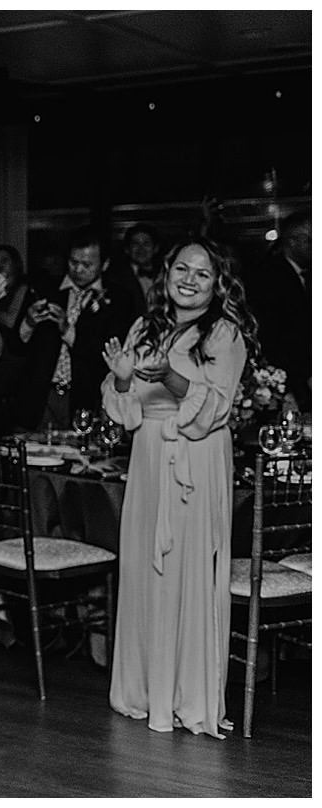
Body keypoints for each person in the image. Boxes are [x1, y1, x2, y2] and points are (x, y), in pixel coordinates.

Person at [101, 237, 257, 738]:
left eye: (203, 273)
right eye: (181, 269)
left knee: (189, 570)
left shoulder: (224, 333)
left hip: (198, 456)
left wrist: (169, 376)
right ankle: (146, 692)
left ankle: (188, 696)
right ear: (166, 274)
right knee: (145, 569)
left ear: (219, 283)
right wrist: (123, 380)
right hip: (148, 457)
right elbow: (124, 412)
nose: (189, 279)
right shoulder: (145, 326)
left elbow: (217, 406)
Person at [16, 226, 136, 431]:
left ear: (104, 264)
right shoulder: (46, 289)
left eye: (87, 264)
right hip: (41, 397)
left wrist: (67, 330)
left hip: (86, 397)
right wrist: (28, 323)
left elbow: (108, 353)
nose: (78, 269)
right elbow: (15, 347)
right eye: (73, 262)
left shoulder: (119, 299)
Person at [245, 209, 311, 409]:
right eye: (311, 241)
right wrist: (292, 383)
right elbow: (271, 335)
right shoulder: (269, 277)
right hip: (287, 383)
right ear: (292, 242)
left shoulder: (309, 274)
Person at [0, 243, 30, 435]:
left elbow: (11, 319)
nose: (0, 265)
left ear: (16, 263)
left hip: (12, 361)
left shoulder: (22, 287)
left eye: (5, 260)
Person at [107, 222, 161, 314]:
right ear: (127, 249)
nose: (141, 248)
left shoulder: (166, 274)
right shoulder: (115, 278)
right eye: (135, 243)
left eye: (146, 243)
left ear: (156, 248)